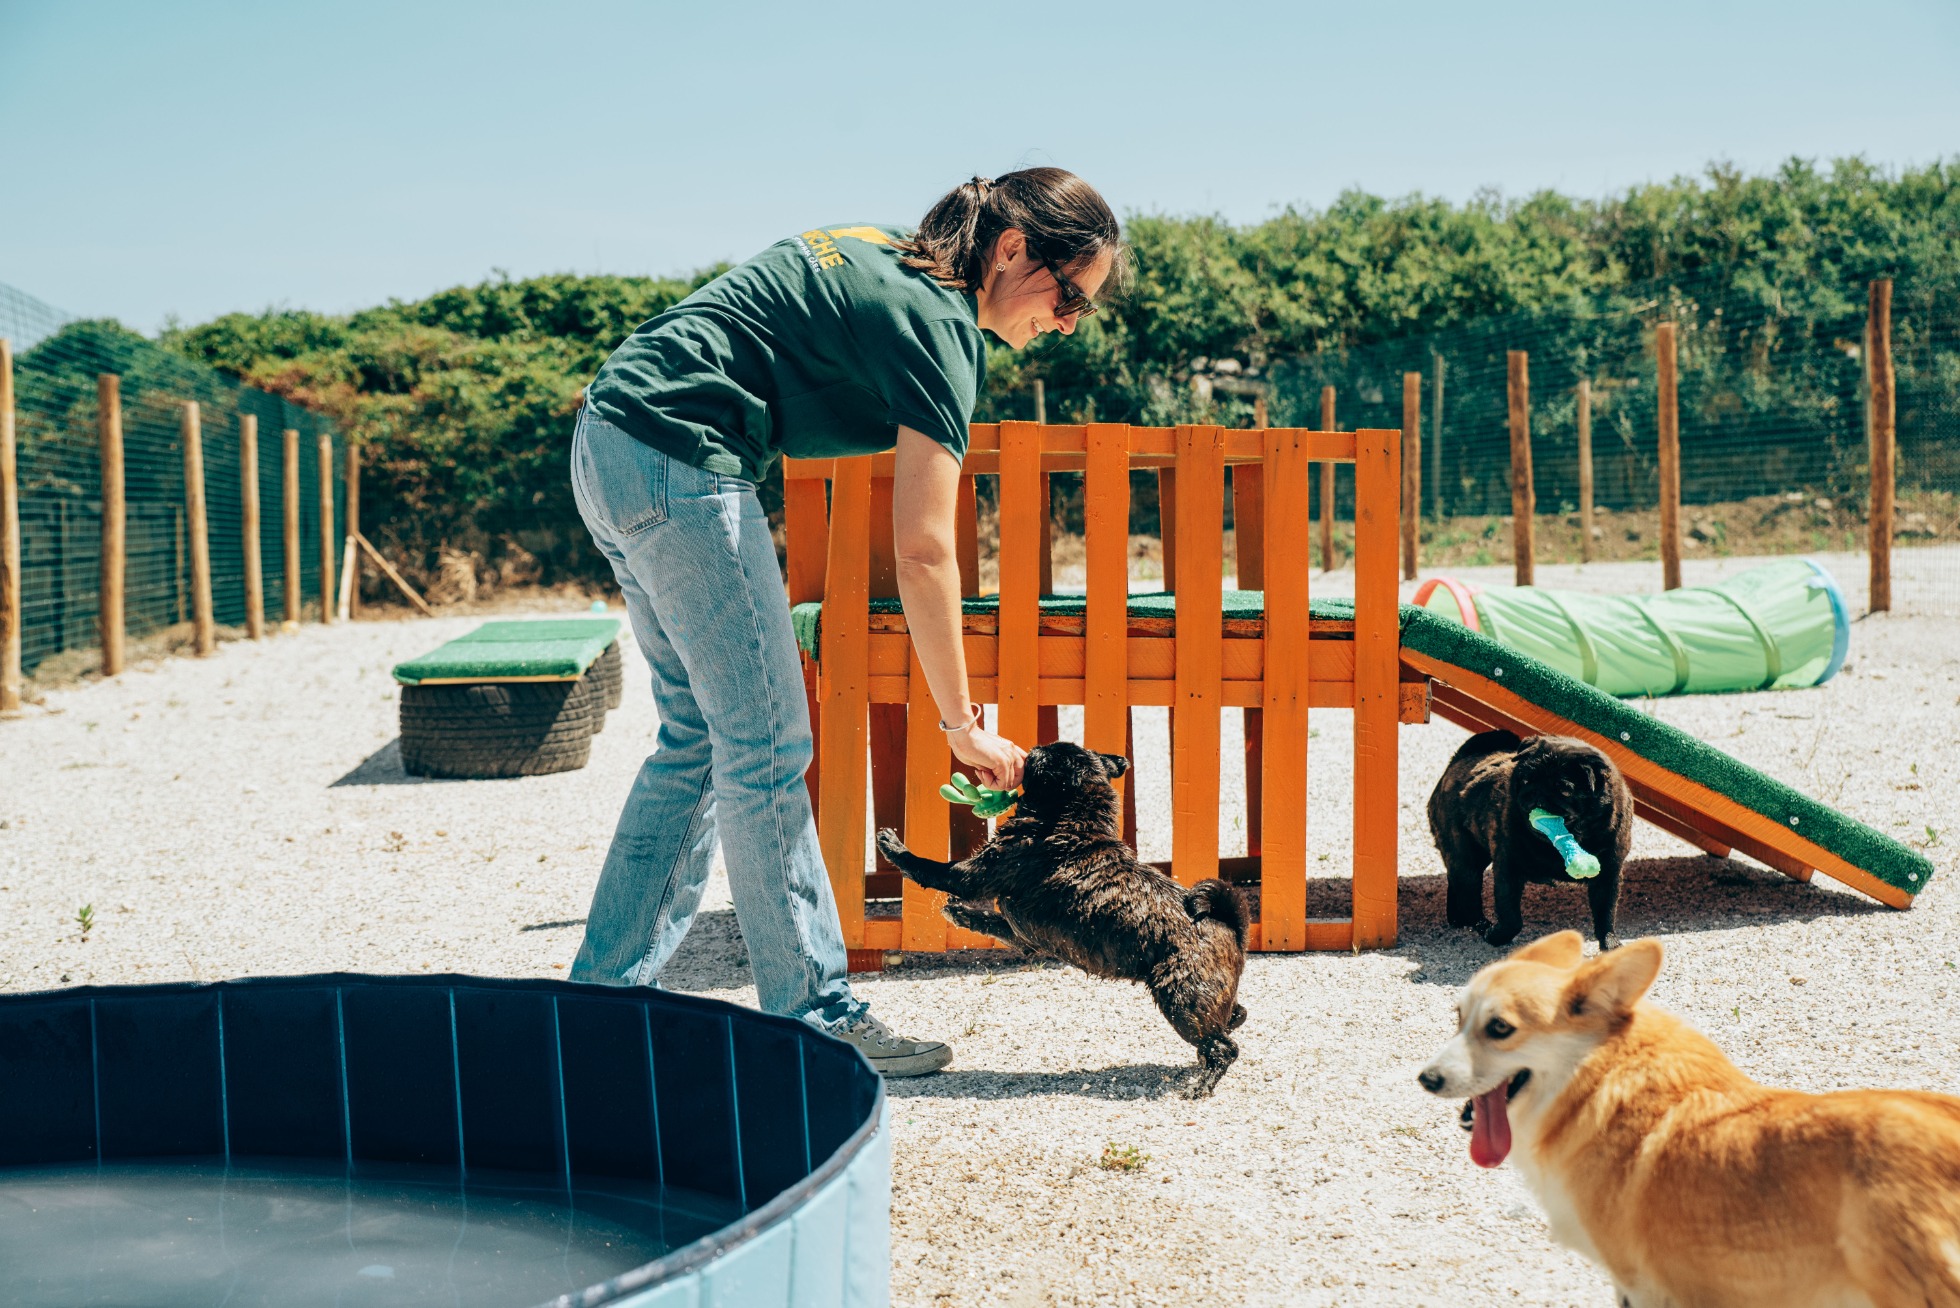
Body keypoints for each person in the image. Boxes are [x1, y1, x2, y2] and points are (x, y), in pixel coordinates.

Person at [568, 168, 1125, 1075]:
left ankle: (594, 1007)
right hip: (681, 458)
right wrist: (963, 727)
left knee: (698, 743)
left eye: (1083, 310)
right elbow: (925, 552)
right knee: (765, 746)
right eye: (1068, 296)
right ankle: (818, 1017)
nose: (1065, 324)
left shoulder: (883, 250)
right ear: (1014, 251)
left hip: (610, 439)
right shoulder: (946, 328)